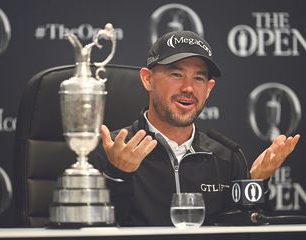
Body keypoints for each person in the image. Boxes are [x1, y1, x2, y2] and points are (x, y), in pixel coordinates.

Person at [90, 30, 300, 226]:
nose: (188, 88)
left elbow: (245, 228)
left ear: (208, 89)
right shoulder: (110, 151)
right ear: (148, 79)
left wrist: (256, 182)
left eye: (198, 78)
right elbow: (95, 228)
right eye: (176, 75)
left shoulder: (228, 156)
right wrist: (118, 175)